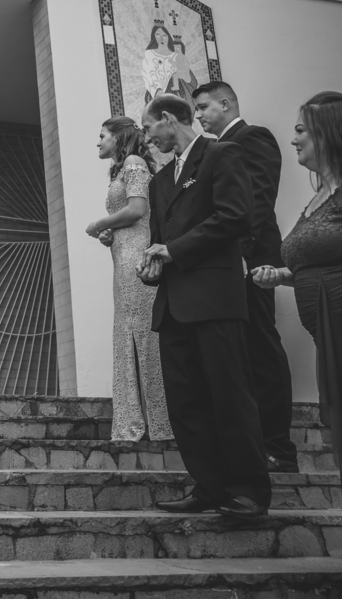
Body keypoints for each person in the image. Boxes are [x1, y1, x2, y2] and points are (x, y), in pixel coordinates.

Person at [252, 91, 342, 594]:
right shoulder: (319, 197)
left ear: (329, 133)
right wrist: (285, 275)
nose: (293, 139)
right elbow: (325, 261)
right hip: (335, 343)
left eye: (301, 130)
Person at [137, 93, 270, 519]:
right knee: (186, 403)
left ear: (169, 118)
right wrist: (152, 265)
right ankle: (208, 486)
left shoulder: (221, 154)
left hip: (214, 298)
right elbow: (159, 238)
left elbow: (236, 216)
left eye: (149, 128)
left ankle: (248, 490)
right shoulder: (159, 181)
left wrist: (175, 250)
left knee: (229, 395)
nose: (147, 138)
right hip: (172, 304)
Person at [193, 81, 297, 473]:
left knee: (261, 347)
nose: (198, 115)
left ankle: (279, 448)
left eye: (203, 107)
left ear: (225, 103)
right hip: (223, 265)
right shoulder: (211, 150)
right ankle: (250, 445)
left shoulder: (253, 137)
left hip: (251, 262)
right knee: (237, 354)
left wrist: (240, 254)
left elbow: (257, 198)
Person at [85, 117, 172, 443]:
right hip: (122, 257)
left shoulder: (134, 162)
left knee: (142, 332)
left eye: (102, 135)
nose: (98, 142)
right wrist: (110, 232)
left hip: (135, 259)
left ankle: (158, 421)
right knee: (128, 332)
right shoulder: (121, 169)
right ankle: (137, 420)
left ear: (118, 137)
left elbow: (137, 209)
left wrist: (100, 223)